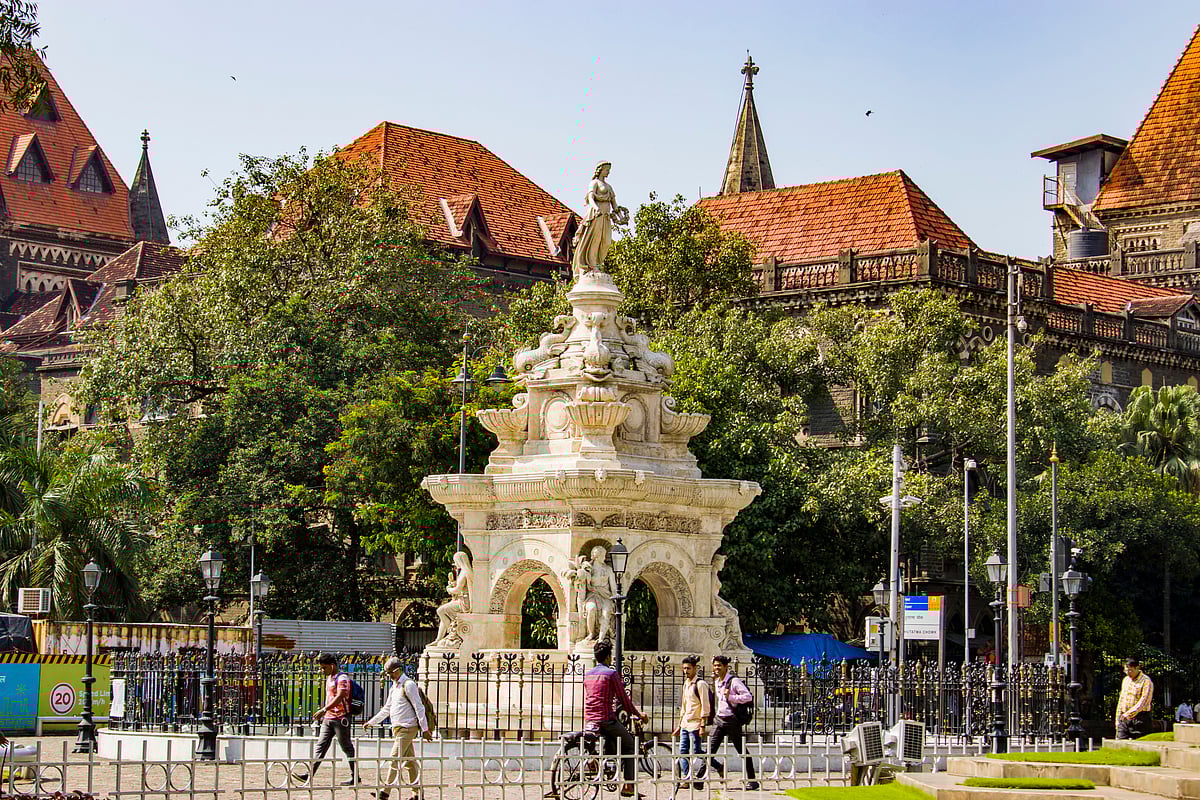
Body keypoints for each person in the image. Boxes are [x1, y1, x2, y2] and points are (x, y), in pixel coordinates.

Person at [584, 639, 648, 798]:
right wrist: (639, 715)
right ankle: (628, 785)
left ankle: (594, 760)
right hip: (606, 718)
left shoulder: (588, 675)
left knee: (611, 740)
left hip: (590, 719)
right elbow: (624, 699)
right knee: (630, 746)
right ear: (608, 657)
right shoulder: (611, 674)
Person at [365, 657, 431, 800]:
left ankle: (385, 792)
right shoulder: (394, 687)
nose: (389, 676)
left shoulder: (409, 685)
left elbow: (419, 707)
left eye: (390, 673)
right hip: (398, 728)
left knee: (394, 759)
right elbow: (387, 709)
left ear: (397, 670)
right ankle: (417, 793)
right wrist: (372, 722)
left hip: (408, 727)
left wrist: (425, 729)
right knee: (410, 762)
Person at [293, 653, 357, 785]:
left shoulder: (342, 678)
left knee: (347, 747)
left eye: (324, 667)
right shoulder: (329, 678)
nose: (322, 670)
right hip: (328, 719)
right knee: (320, 747)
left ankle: (355, 776)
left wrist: (323, 709)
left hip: (340, 718)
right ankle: (309, 775)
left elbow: (340, 696)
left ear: (332, 666)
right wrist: (326, 712)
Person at [707, 655, 758, 790]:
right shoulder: (717, 681)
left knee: (741, 750)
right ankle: (699, 779)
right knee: (710, 750)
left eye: (719, 665)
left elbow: (748, 697)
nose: (716, 668)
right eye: (715, 665)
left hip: (731, 720)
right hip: (719, 719)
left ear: (726, 667)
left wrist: (731, 696)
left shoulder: (734, 682)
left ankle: (752, 780)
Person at [571, 161, 628, 279]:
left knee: (606, 241)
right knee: (595, 240)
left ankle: (598, 263)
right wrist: (596, 208)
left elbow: (614, 205)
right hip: (596, 214)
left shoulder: (609, 187)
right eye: (606, 169)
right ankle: (592, 265)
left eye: (609, 170)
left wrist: (621, 217)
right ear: (600, 170)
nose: (608, 172)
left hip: (606, 216)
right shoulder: (594, 183)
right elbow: (591, 198)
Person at [672, 655, 711, 791]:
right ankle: (687, 777)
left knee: (697, 751)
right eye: (684, 668)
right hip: (685, 723)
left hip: (696, 723)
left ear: (695, 668)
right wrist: (679, 725)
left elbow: (705, 707)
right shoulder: (686, 684)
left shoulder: (700, 684)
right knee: (683, 751)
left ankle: (718, 765)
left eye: (688, 668)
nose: (685, 671)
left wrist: (702, 725)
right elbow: (684, 705)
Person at [432, 551, 472, 647]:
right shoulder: (467, 572)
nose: (455, 564)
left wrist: (449, 589)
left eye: (455, 561)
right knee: (443, 614)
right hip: (462, 600)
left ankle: (451, 633)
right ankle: (439, 639)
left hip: (464, 603)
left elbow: (458, 590)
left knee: (440, 610)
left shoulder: (464, 573)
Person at [1115, 658, 1154, 739]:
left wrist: (1129, 713)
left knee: (1139, 744)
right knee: (1120, 742)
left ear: (1137, 668)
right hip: (1124, 718)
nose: (1128, 673)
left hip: (1140, 718)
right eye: (1126, 671)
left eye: (1130, 670)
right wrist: (1118, 718)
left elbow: (1144, 701)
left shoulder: (1146, 681)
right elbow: (1121, 700)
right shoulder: (1126, 680)